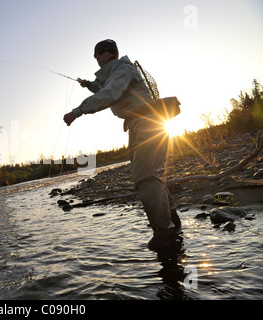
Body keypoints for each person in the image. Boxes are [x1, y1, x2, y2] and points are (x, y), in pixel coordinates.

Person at [63, 39, 181, 250]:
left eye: (99, 53)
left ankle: (165, 232)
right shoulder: (116, 73)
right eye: (95, 55)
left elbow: (109, 93)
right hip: (140, 125)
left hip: (148, 124)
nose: (96, 58)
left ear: (111, 53)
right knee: (149, 175)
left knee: (145, 177)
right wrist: (88, 84)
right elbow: (104, 88)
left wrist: (77, 112)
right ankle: (172, 221)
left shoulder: (123, 69)